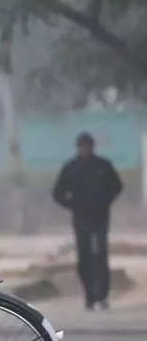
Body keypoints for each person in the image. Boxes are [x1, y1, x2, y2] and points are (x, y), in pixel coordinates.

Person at [53, 132, 123, 310]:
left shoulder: (103, 165)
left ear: (92, 147)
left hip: (101, 217)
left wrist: (106, 201)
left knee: (100, 256)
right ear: (78, 148)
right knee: (84, 258)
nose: (85, 149)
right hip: (81, 218)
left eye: (88, 146)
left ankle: (103, 296)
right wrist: (72, 205)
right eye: (82, 146)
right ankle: (90, 297)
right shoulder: (71, 167)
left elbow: (117, 186)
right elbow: (57, 192)